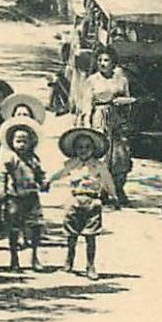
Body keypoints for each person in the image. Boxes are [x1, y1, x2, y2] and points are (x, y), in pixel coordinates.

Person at [49, 127, 117, 280]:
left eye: (87, 147)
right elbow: (60, 173)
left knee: (90, 236)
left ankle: (90, 265)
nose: (83, 150)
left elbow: (108, 181)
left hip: (92, 201)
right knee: (71, 234)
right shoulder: (72, 164)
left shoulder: (99, 166)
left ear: (93, 149)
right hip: (75, 200)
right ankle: (69, 261)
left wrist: (114, 196)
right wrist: (49, 181)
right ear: (74, 149)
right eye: (80, 147)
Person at [82, 45, 136, 207]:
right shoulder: (92, 80)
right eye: (100, 60)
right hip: (100, 116)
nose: (103, 63)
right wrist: (87, 122)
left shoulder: (121, 79)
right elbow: (87, 103)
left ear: (113, 62)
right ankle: (100, 190)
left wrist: (124, 105)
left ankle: (118, 189)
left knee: (120, 155)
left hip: (118, 118)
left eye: (106, 60)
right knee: (102, 153)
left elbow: (128, 99)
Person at [0, 117, 47, 272]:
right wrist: (1, 190)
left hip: (31, 196)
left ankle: (34, 256)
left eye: (25, 141)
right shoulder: (9, 158)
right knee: (14, 228)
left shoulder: (33, 159)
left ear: (31, 142)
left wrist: (43, 182)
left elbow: (39, 174)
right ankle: (14, 257)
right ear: (12, 142)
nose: (22, 144)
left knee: (35, 226)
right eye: (18, 141)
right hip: (14, 197)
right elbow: (0, 175)